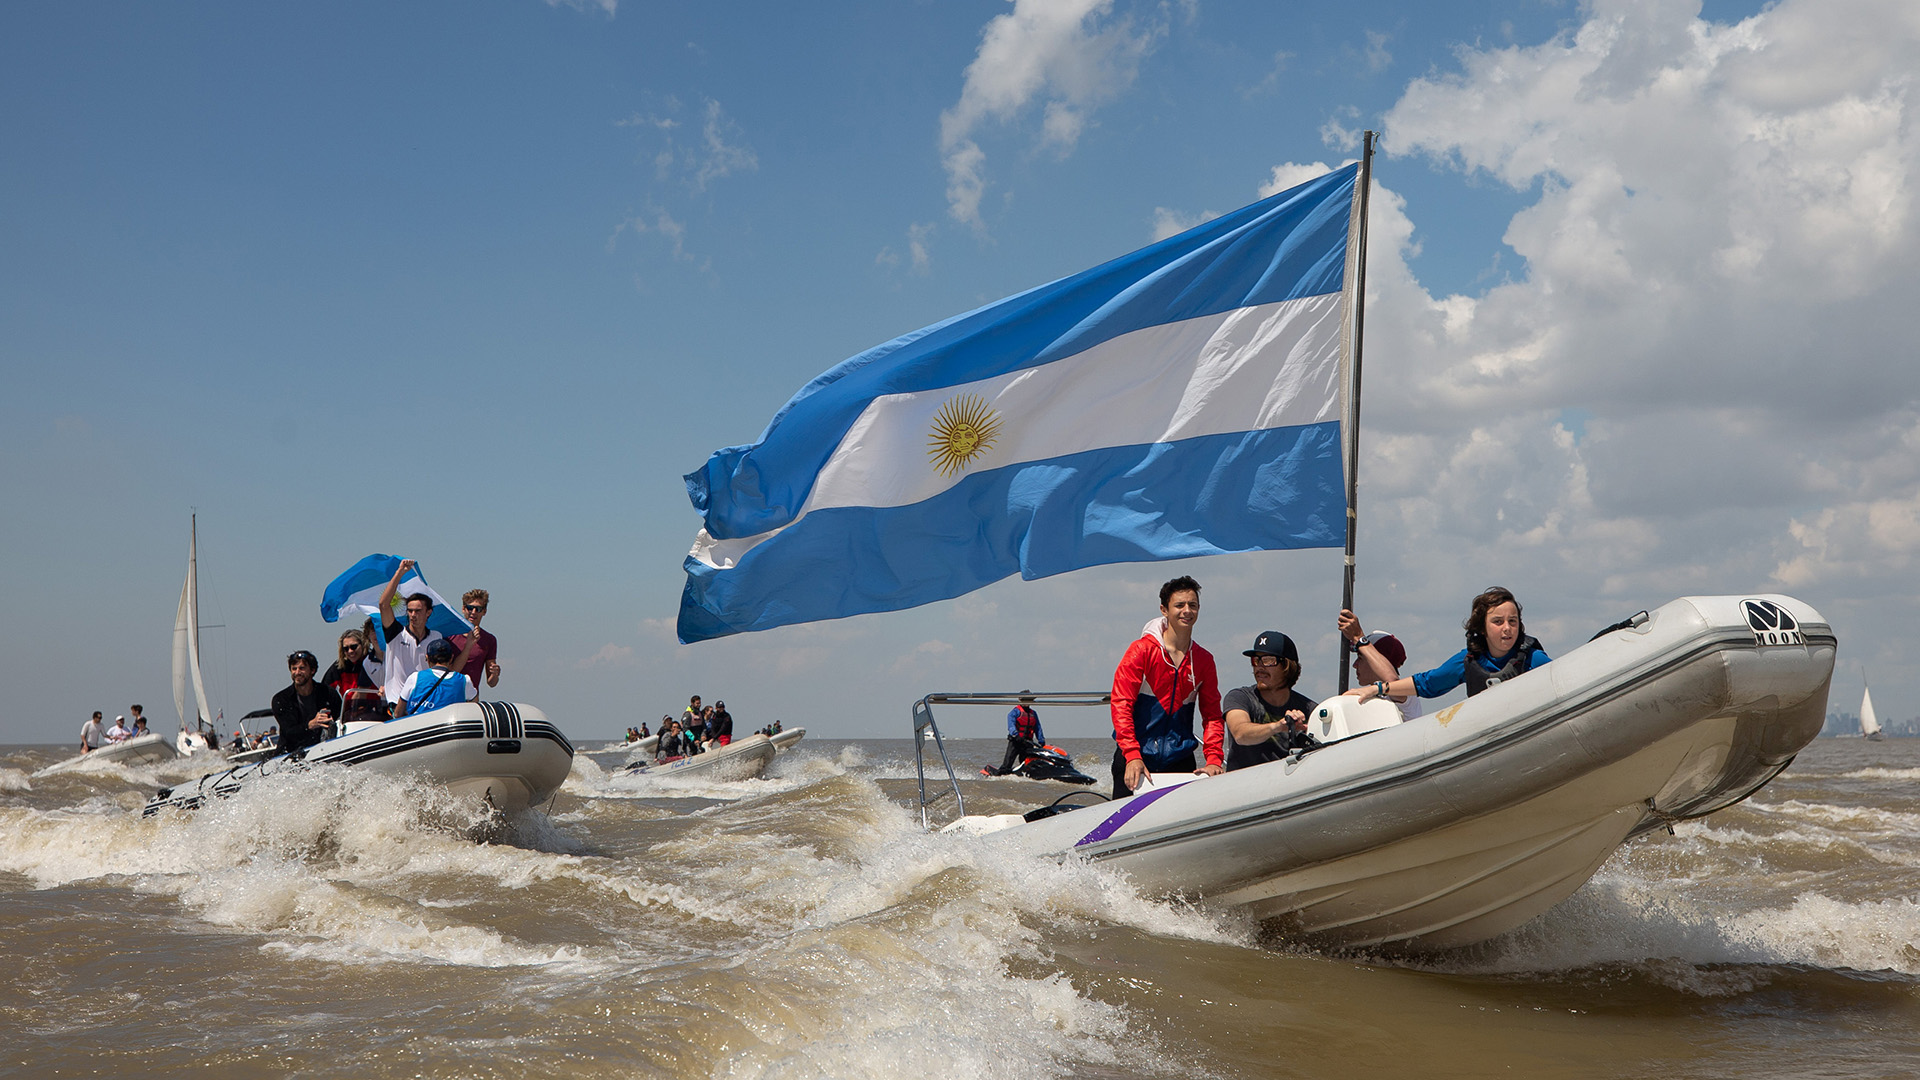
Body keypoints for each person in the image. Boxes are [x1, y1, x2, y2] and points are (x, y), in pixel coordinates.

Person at [1109, 575, 1226, 799]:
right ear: (1164, 609)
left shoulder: (1204, 660)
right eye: (1179, 605)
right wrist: (1132, 754)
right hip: (1135, 759)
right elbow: (1121, 704)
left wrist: (1213, 759)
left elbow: (1211, 716)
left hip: (1180, 760)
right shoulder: (1140, 651)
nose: (1187, 611)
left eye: (1192, 605)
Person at [1353, 587, 1551, 707]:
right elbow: (1427, 684)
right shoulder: (1467, 661)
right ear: (1482, 627)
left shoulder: (1535, 659)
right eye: (1498, 622)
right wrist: (1376, 689)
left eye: (1513, 621)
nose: (1507, 628)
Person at [1221, 632, 1318, 771]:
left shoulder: (1309, 709)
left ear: (1287, 666)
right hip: (1243, 785)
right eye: (1256, 660)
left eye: (1268, 660)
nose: (1259, 667)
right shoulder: (1239, 698)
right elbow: (1240, 733)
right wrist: (1278, 726)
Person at [375, 560, 445, 707]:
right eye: (410, 610)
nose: (413, 615)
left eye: (418, 611)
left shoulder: (436, 638)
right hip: (397, 702)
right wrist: (399, 573)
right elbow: (383, 605)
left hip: (426, 704)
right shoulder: (396, 634)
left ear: (428, 613)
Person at [1336, 610, 1423, 721]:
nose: (1355, 665)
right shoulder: (1369, 694)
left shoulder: (1407, 693)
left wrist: (1359, 637)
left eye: (1361, 657)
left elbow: (1391, 681)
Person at [271, 650, 343, 758]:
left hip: (323, 749)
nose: (297, 672)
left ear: (312, 670)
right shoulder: (281, 699)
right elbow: (288, 731)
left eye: (302, 668)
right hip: (291, 753)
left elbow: (340, 718)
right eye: (294, 669)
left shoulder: (328, 693)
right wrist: (310, 725)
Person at [396, 639, 478, 717]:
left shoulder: (415, 678)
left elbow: (397, 713)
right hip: (449, 729)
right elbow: (475, 708)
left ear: (427, 658)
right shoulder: (464, 680)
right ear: (451, 658)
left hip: (418, 729)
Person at [322, 629, 387, 724]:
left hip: (377, 710)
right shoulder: (339, 666)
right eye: (346, 649)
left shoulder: (372, 662)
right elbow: (325, 690)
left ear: (363, 644)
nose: (350, 651)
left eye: (353, 647)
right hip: (351, 714)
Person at [448, 589, 500, 697]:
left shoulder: (489, 640)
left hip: (471, 698)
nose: (473, 612)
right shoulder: (449, 635)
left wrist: (495, 674)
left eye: (478, 609)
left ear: (484, 611)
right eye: (470, 608)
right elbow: (446, 672)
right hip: (448, 695)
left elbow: (491, 683)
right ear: (463, 609)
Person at [991, 695, 1047, 776]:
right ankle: (1000, 775)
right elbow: (1011, 725)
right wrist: (1015, 734)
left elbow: (1038, 728)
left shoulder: (1033, 714)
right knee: (1007, 764)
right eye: (1025, 700)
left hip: (1028, 743)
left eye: (1029, 700)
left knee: (1027, 764)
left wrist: (1041, 740)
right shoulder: (1015, 712)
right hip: (1016, 742)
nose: (1027, 702)